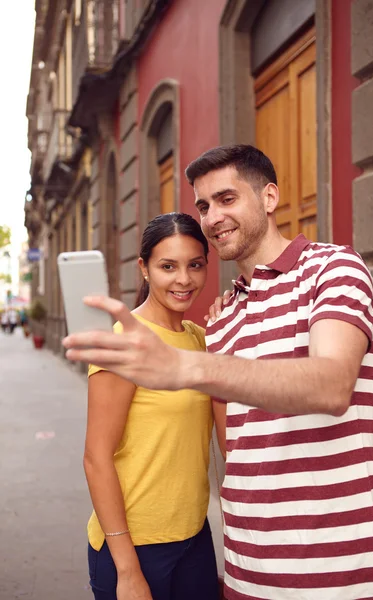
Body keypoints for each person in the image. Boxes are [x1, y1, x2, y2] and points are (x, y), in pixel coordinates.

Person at [63, 145, 373, 600]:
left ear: (268, 197)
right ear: (145, 267)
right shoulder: (223, 319)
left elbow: (332, 385)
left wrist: (185, 364)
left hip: (337, 566)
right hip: (247, 569)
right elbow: (232, 449)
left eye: (226, 198)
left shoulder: (333, 269)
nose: (212, 216)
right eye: (203, 205)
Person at [83, 213, 219, 600]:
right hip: (133, 544)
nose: (184, 279)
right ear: (144, 268)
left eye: (195, 265)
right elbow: (96, 457)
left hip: (194, 536)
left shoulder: (201, 339)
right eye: (167, 266)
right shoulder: (124, 343)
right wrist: (127, 570)